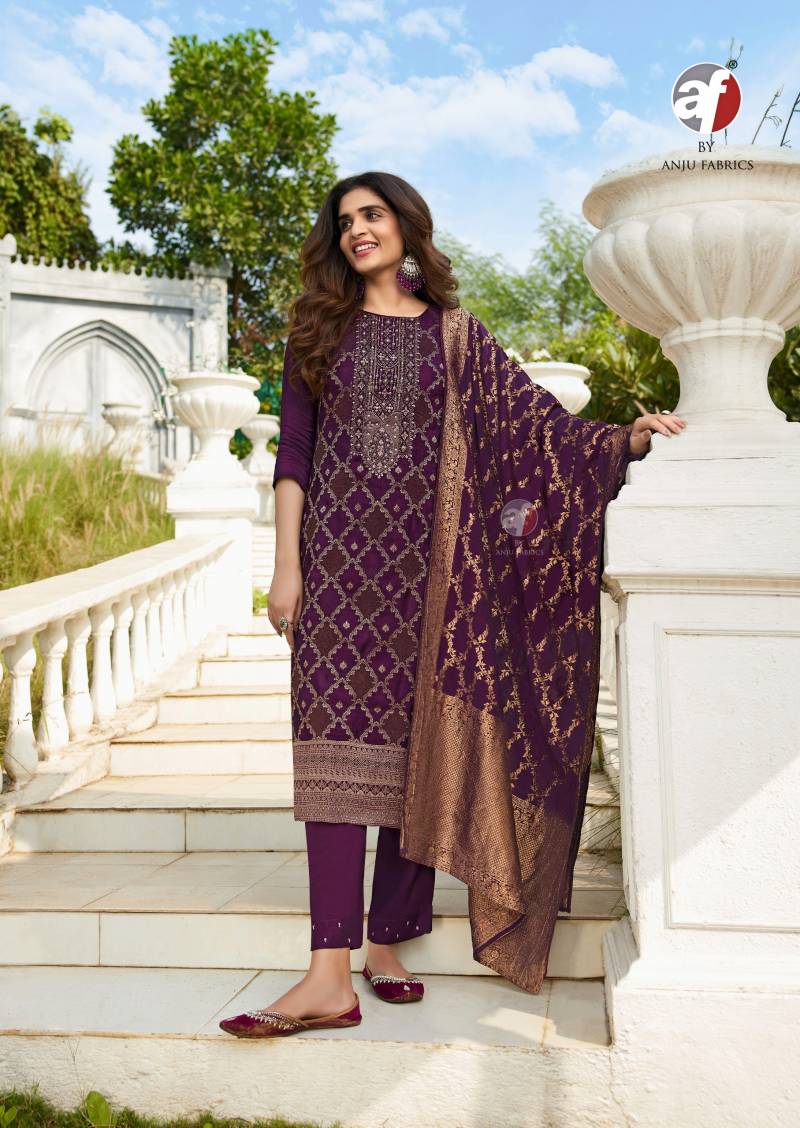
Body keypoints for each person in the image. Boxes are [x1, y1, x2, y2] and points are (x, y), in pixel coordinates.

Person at [219, 171, 686, 1040]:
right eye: (345, 221)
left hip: (431, 582)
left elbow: (537, 429)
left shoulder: (456, 335)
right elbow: (295, 457)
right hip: (337, 572)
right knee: (329, 763)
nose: (358, 230)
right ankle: (327, 971)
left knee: (418, 755)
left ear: (406, 226)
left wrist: (622, 439)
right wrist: (287, 568)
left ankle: (387, 942)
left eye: (373, 215)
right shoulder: (318, 330)